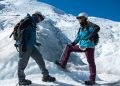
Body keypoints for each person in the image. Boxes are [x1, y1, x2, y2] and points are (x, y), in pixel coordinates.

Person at [55, 12, 100, 85]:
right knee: (69, 48)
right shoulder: (81, 28)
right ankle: (62, 64)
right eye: (78, 18)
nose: (79, 20)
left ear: (84, 18)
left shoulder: (89, 25)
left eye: (80, 18)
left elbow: (97, 28)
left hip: (89, 46)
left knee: (91, 62)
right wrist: (73, 43)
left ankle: (92, 80)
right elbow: (78, 37)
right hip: (82, 46)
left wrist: (91, 35)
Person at [18, 12, 56, 85]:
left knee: (39, 58)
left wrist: (35, 43)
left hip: (31, 46)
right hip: (25, 45)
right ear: (37, 15)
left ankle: (45, 76)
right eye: (40, 18)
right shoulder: (29, 19)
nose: (40, 20)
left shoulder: (33, 23)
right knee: (22, 62)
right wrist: (22, 43)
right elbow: (21, 28)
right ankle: (21, 80)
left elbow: (31, 34)